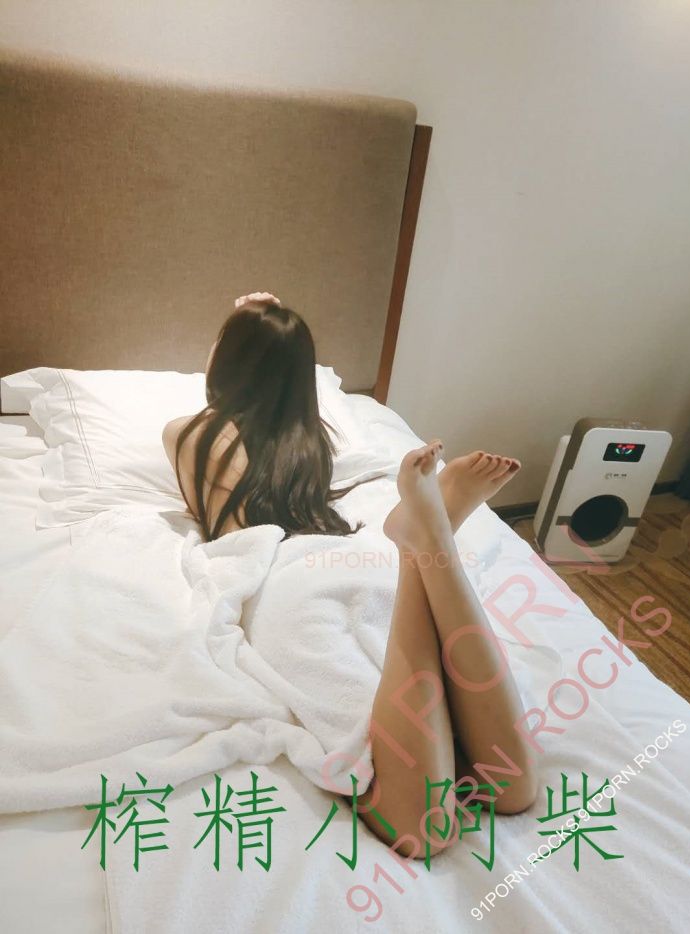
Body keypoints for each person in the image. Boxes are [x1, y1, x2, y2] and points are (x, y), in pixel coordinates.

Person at [163, 290, 537, 859]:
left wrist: (242, 332)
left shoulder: (192, 434)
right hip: (361, 559)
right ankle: (427, 543)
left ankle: (421, 546)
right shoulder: (314, 439)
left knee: (421, 827)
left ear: (226, 362)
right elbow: (278, 383)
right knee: (512, 787)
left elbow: (217, 387)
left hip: (288, 580)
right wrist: (276, 338)